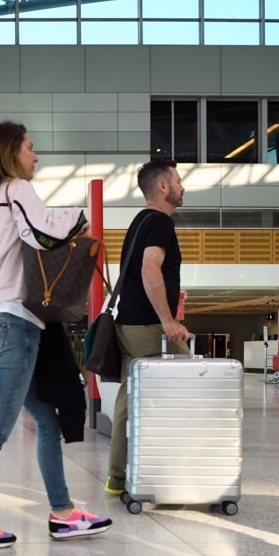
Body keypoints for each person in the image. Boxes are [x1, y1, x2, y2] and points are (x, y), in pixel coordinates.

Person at [0, 120, 112, 549]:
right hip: (16, 329)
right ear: (9, 153)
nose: (35, 157)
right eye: (30, 148)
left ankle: (62, 513)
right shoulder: (15, 191)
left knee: (45, 420)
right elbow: (45, 233)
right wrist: (82, 217)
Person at [106, 159, 191, 496]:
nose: (183, 187)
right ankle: (173, 473)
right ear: (163, 187)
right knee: (191, 387)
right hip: (147, 326)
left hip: (127, 324)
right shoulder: (159, 223)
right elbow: (149, 269)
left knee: (131, 395)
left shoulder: (139, 222)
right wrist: (168, 321)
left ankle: (117, 475)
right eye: (178, 181)